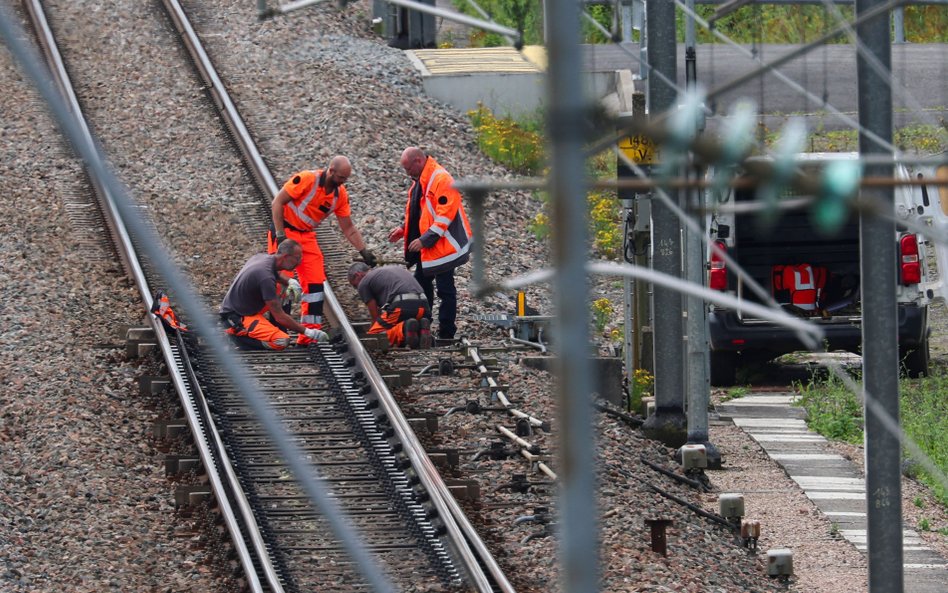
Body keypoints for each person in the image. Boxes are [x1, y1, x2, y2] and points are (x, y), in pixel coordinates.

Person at [269, 155, 377, 344]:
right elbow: (277, 202)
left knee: (315, 282)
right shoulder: (306, 179)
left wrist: (363, 251)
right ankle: (277, 331)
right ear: (331, 171)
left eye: (346, 179)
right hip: (286, 231)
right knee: (281, 281)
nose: (343, 182)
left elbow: (348, 227)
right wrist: (280, 236)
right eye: (341, 177)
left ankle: (309, 334)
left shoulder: (340, 195)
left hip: (306, 236)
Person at [388, 147, 472, 341]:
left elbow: (444, 216)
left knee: (445, 290)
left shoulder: (441, 179)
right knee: (421, 286)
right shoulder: (423, 179)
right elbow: (423, 213)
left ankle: (446, 333)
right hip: (432, 247)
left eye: (408, 168)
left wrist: (423, 240)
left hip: (444, 247)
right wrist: (404, 229)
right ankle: (424, 326)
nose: (407, 173)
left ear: (418, 161)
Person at [220, 240, 329, 350]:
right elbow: (279, 317)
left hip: (245, 308)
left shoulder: (263, 258)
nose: (300, 262)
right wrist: (309, 332)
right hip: (236, 317)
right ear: (286, 257)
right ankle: (238, 339)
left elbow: (277, 275)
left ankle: (265, 329)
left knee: (282, 289)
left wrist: (291, 282)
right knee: (281, 341)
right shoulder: (266, 278)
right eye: (297, 258)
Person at [348, 262, 432, 348]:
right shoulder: (391, 269)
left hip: (403, 306)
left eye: (355, 285)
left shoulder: (364, 283)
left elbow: (375, 316)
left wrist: (372, 330)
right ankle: (421, 330)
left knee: (374, 337)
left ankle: (404, 329)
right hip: (424, 306)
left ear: (358, 275)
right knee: (403, 322)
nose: (357, 288)